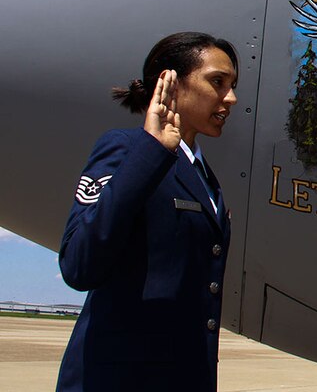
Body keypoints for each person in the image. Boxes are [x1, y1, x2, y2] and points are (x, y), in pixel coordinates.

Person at [56, 32, 238, 392]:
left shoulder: (204, 177)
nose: (230, 98)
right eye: (217, 82)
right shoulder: (127, 150)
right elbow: (79, 264)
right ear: (169, 81)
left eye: (232, 85)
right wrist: (151, 151)